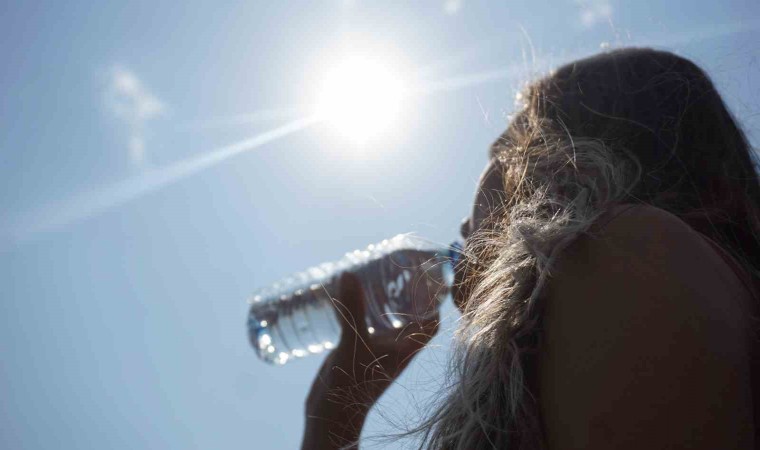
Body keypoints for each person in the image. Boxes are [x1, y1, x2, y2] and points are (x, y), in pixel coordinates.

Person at [301, 48, 760, 449]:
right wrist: (336, 413)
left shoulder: (624, 252)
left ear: (558, 160)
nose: (464, 220)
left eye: (501, 153)